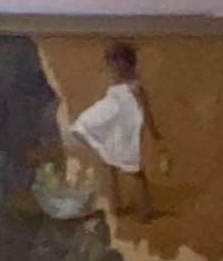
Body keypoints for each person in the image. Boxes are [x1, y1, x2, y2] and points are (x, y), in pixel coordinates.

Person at [63, 39, 158, 222]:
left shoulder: (135, 85)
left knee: (136, 170)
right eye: (113, 62)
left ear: (130, 63)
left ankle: (146, 208)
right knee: (112, 166)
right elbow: (114, 103)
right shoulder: (117, 82)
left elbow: (145, 108)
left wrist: (153, 129)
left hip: (127, 128)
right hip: (114, 125)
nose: (117, 66)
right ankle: (117, 204)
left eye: (120, 61)